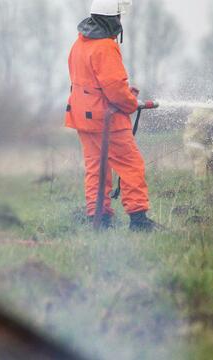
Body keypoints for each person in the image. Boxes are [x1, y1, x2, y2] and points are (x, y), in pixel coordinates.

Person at [64, 0, 158, 231]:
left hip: (83, 118)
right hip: (106, 120)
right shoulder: (105, 46)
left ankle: (100, 219)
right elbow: (115, 88)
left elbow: (96, 84)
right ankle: (139, 220)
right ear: (112, 20)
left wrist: (126, 95)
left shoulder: (79, 44)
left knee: (97, 168)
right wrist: (129, 103)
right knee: (131, 165)